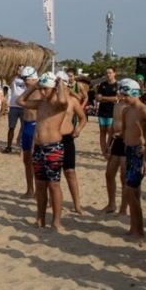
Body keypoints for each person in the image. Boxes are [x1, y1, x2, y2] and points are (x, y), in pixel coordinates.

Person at [17, 72, 70, 230]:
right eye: (42, 89)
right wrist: (35, 85)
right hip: (39, 148)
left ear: (53, 89)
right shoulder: (40, 103)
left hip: (53, 147)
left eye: (45, 89)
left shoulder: (59, 105)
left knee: (54, 185)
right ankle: (40, 218)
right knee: (40, 185)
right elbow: (20, 100)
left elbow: (62, 99)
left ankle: (56, 221)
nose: (42, 92)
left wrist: (59, 84)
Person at [120, 80, 146, 238]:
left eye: (125, 95)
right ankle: (134, 226)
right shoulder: (126, 111)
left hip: (139, 152)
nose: (123, 98)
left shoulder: (144, 110)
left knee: (131, 190)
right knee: (132, 191)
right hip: (129, 151)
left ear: (134, 93)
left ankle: (139, 230)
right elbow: (125, 131)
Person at [59, 72, 88, 214]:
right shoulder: (49, 100)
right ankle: (54, 202)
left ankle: (77, 204)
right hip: (53, 139)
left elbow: (83, 118)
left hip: (67, 138)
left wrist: (78, 129)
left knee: (70, 172)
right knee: (53, 174)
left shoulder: (72, 101)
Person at [104, 80, 130, 214]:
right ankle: (111, 203)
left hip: (127, 141)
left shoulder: (132, 106)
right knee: (109, 174)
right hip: (116, 141)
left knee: (124, 177)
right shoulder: (117, 105)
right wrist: (108, 145)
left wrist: (123, 133)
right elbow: (112, 126)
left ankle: (123, 208)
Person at [17, 68, 39, 199]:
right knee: (26, 160)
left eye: (26, 79)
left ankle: (38, 190)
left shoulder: (41, 93)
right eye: (23, 79)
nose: (24, 81)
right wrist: (20, 132)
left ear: (34, 78)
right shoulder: (26, 92)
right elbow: (25, 114)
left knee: (35, 161)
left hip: (36, 126)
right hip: (26, 126)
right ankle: (30, 189)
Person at [4, 68, 30, 153]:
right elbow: (8, 80)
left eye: (22, 68)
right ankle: (9, 146)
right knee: (11, 127)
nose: (20, 70)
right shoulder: (14, 79)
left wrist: (23, 76)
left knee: (24, 127)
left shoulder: (27, 80)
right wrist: (15, 73)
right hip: (13, 106)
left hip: (24, 106)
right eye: (19, 68)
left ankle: (22, 147)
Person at [95, 67, 119, 158]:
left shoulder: (117, 85)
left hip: (112, 111)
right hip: (102, 111)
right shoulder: (102, 85)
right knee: (102, 132)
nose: (108, 74)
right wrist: (109, 99)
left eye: (110, 72)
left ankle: (109, 149)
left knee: (110, 131)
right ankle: (103, 151)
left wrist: (104, 98)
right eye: (107, 73)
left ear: (114, 73)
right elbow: (98, 98)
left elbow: (116, 98)